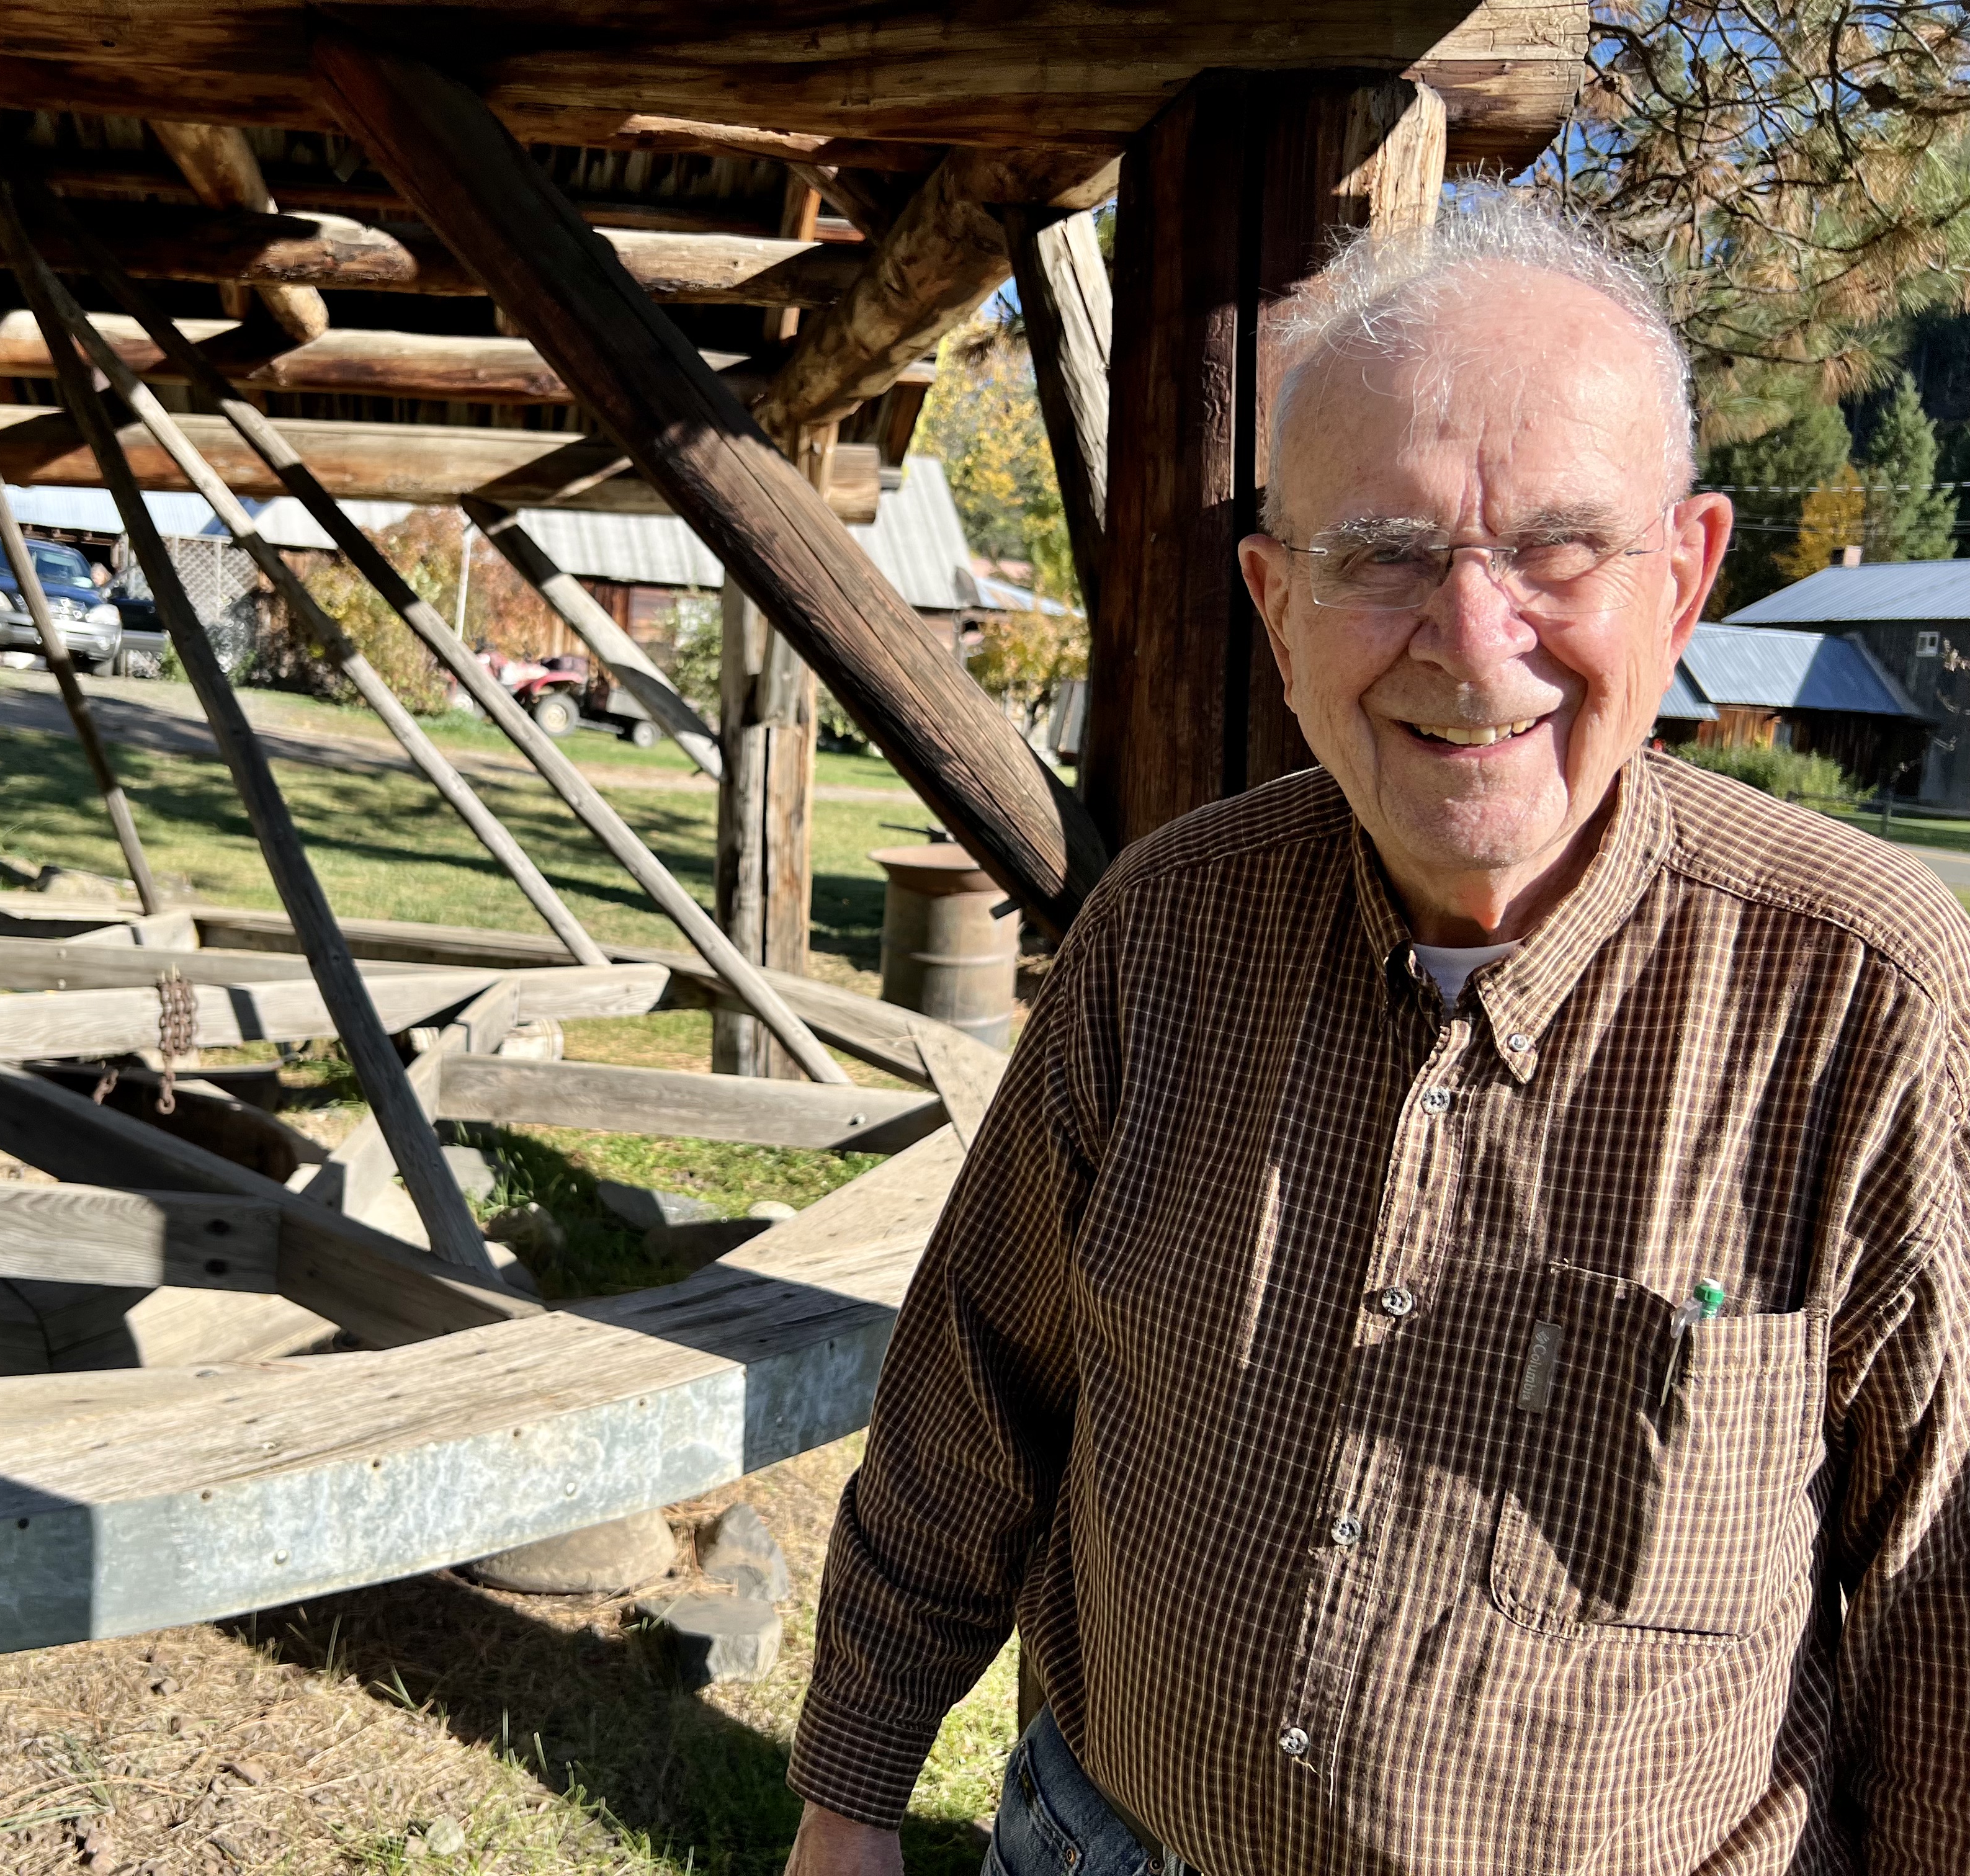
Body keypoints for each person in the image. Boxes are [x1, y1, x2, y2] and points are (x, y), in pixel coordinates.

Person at [783, 199, 1970, 1876]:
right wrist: (847, 1796)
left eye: (1561, 547)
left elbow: (1942, 1607)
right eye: (1385, 557)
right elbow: (977, 1385)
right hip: (1102, 1838)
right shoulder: (1164, 931)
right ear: (1275, 605)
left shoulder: (1871, 994)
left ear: (1688, 577)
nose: (1475, 646)